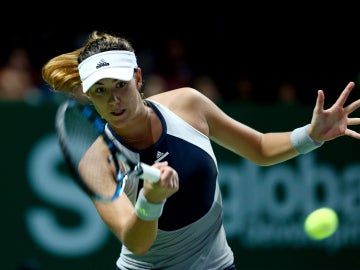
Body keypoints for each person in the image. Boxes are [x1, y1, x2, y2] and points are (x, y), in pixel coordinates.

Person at [41, 31, 360, 270]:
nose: (113, 100)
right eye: (100, 91)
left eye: (120, 85)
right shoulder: (96, 163)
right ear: (89, 96)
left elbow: (260, 148)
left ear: (137, 78)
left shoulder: (187, 105)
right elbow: (136, 242)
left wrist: (311, 134)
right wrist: (151, 201)